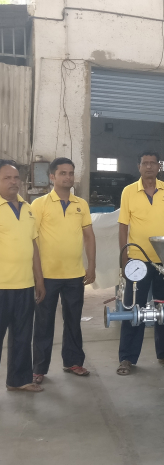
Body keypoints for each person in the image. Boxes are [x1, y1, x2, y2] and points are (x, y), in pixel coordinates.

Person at [116, 152, 164, 375]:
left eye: (153, 163)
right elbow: (123, 226)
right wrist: (124, 257)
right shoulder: (128, 192)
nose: (149, 167)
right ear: (139, 166)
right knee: (133, 308)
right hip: (137, 260)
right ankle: (127, 358)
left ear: (159, 167)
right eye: (145, 163)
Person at [31, 158, 96, 384]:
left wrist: (91, 265)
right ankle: (39, 368)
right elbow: (32, 240)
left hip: (74, 275)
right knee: (43, 323)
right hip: (47, 276)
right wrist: (38, 277)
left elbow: (89, 236)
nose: (68, 177)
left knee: (73, 321)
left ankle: (73, 362)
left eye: (70, 173)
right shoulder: (39, 204)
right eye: (62, 173)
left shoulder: (81, 204)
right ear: (52, 177)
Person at [0, 159, 45, 392]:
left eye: (16, 177)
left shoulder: (28, 208)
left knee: (22, 335)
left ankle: (18, 380)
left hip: (25, 285)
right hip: (2, 285)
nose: (13, 182)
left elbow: (33, 246)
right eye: (7, 178)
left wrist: (39, 280)